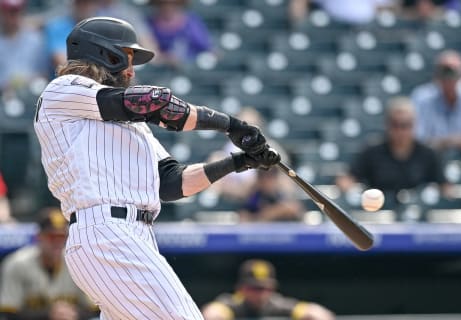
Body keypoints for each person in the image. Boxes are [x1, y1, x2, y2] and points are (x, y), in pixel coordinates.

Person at [33, 16, 280, 319]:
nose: (131, 69)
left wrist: (237, 162)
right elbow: (155, 102)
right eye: (126, 57)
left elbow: (172, 183)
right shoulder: (64, 89)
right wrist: (231, 125)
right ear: (104, 54)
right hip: (107, 231)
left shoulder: (130, 124)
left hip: (130, 236)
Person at [336, 96, 451, 197]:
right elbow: (347, 179)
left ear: (414, 125)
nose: (400, 131)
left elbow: (445, 187)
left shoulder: (428, 154)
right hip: (379, 214)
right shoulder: (372, 152)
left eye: (405, 125)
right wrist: (353, 191)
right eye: (395, 125)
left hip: (419, 214)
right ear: (387, 125)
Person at [0, 207, 98, 320]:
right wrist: (48, 315)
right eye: (52, 237)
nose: (57, 242)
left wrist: (74, 314)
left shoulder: (79, 263)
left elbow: (95, 310)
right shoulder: (16, 264)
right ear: (39, 237)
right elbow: (8, 314)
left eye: (61, 237)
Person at [202, 259, 335, 320]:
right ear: (240, 288)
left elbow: (318, 314)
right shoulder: (234, 303)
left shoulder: (276, 304)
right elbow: (212, 313)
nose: (260, 293)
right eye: (254, 288)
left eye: (265, 288)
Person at [411, 50, 461, 153]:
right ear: (436, 74)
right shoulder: (422, 98)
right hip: (432, 161)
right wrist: (455, 141)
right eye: (444, 71)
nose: (449, 77)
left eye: (453, 71)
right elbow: (415, 141)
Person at [146, 0, 214, 67]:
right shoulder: (149, 23)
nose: (167, 7)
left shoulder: (191, 22)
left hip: (190, 68)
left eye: (173, 3)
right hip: (160, 69)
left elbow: (206, 48)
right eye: (162, 3)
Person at [0, 0, 48, 94]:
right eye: (9, 12)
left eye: (16, 12)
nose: (13, 17)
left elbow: (44, 73)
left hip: (31, 94)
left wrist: (27, 80)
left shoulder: (35, 39)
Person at [43, 0, 98, 75]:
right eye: (79, 3)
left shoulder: (101, 27)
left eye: (87, 3)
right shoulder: (56, 26)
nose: (83, 7)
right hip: (64, 82)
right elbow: (62, 62)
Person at [238, 167, 304, 222]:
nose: (266, 180)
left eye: (270, 176)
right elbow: (243, 217)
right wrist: (262, 216)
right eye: (262, 176)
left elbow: (295, 210)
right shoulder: (254, 196)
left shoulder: (281, 194)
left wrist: (273, 212)